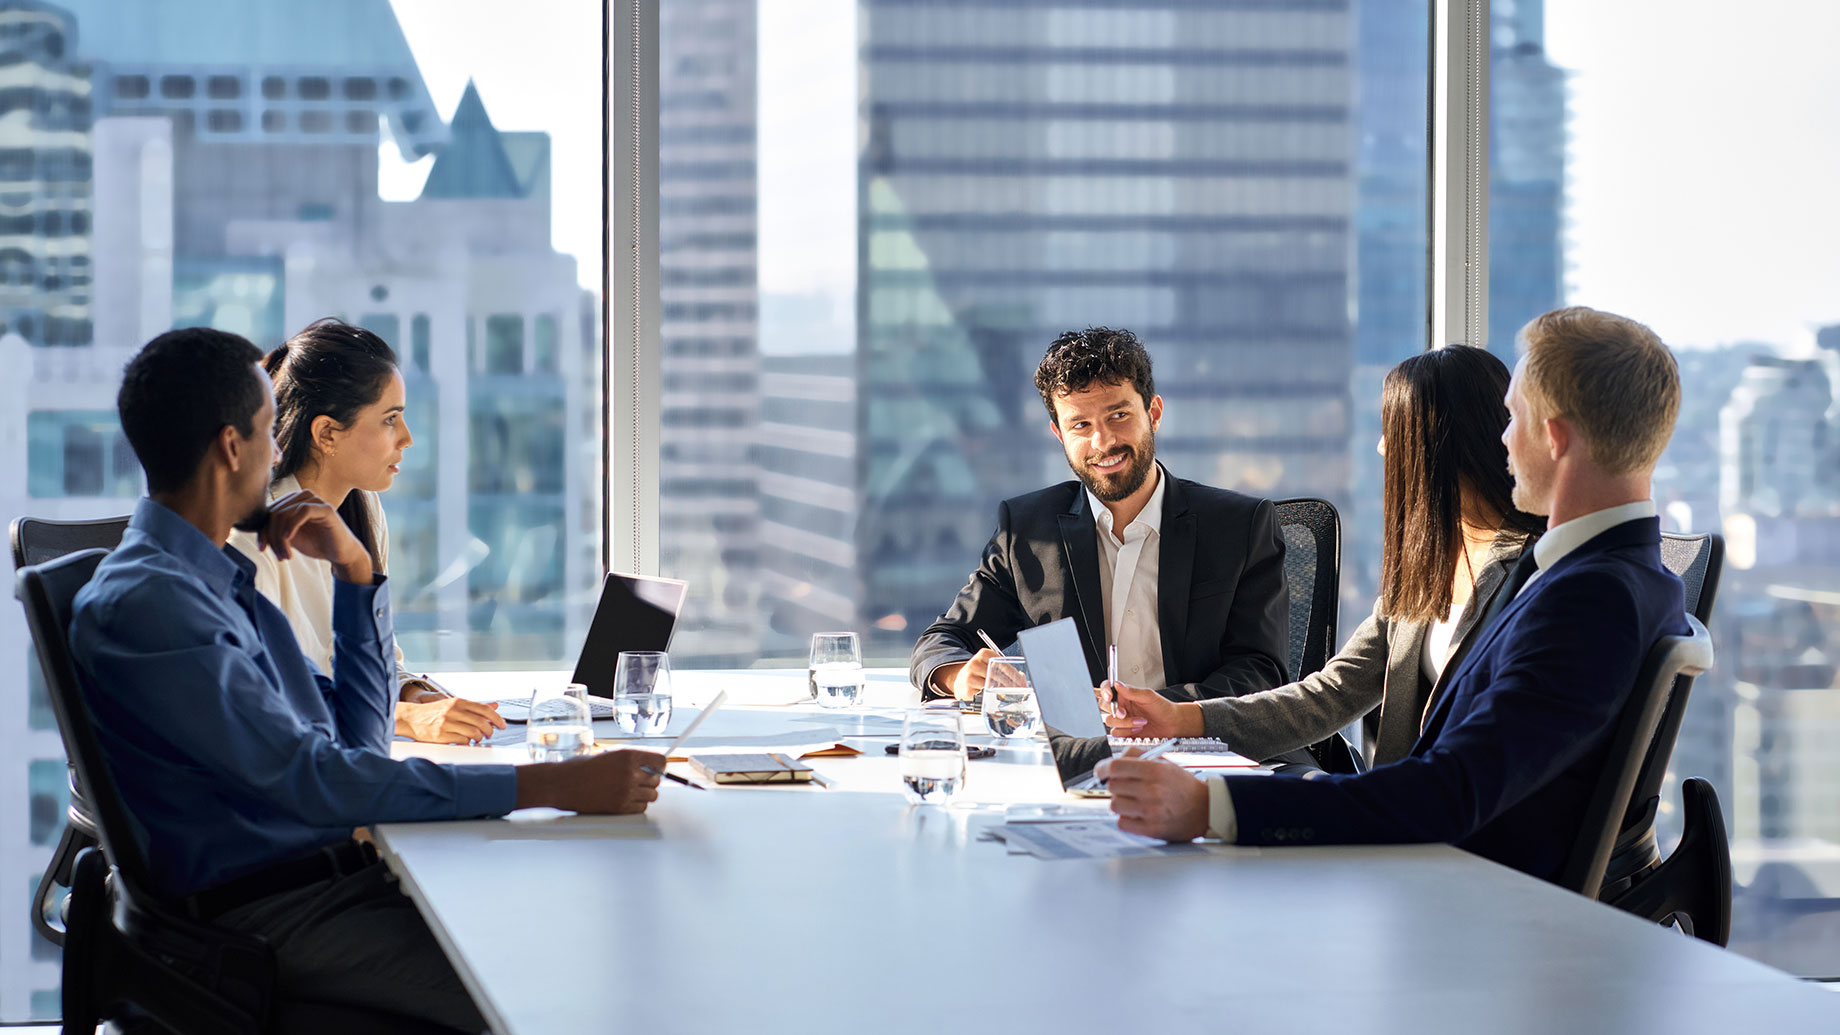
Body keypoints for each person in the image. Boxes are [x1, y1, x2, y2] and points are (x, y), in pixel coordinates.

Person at [69, 327, 663, 1030]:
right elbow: (313, 780)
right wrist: (548, 786)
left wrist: (356, 576)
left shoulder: (215, 583)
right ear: (233, 448)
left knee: (578, 927)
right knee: (564, 997)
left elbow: (359, 744)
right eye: (268, 431)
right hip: (271, 913)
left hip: (324, 883)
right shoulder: (157, 604)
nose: (276, 453)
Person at [1099, 306, 1689, 885]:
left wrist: (1212, 808)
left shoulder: (1585, 601)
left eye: (1512, 418)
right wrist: (1186, 718)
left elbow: (1453, 792)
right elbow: (1347, 699)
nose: (1502, 439)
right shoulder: (1585, 574)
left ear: (1553, 438)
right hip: (1435, 867)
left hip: (1465, 898)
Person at [1100, 345, 1545, 767]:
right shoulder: (1425, 568)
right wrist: (1183, 718)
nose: (1383, 448)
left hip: (1463, 825)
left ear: (1434, 444)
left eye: (1392, 431)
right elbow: (1331, 694)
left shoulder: (1536, 571)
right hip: (1406, 814)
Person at [909, 326, 1290, 707]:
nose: (1103, 442)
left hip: (1205, 750)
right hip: (1084, 755)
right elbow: (941, 641)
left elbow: (1260, 672)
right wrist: (957, 674)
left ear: (1153, 414)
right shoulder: (1027, 531)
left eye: (1119, 415)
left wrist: (1156, 710)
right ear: (1059, 434)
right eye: (1081, 425)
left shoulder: (1241, 526)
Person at [229, 318, 505, 745]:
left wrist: (416, 693)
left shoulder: (362, 509)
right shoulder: (251, 541)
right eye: (390, 419)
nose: (408, 439)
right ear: (326, 434)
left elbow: (373, 659)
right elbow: (272, 704)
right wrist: (407, 719)